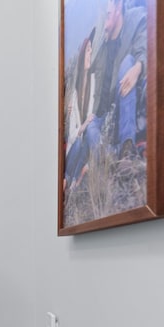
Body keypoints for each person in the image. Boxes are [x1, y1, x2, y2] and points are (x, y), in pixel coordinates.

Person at [84, 0, 147, 158]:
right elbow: (87, 71)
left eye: (108, 14)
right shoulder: (101, 46)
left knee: (127, 62)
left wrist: (138, 68)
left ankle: (127, 146)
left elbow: (145, 48)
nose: (104, 21)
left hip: (125, 102)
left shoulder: (136, 19)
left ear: (118, 7)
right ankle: (113, 156)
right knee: (91, 127)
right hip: (106, 117)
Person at [64, 28, 96, 189]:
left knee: (83, 145)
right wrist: (82, 127)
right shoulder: (74, 96)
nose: (90, 53)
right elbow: (71, 136)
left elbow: (93, 116)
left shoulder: (93, 81)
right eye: (88, 50)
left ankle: (72, 181)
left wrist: (84, 128)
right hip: (74, 149)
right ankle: (70, 180)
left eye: (91, 50)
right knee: (77, 144)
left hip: (84, 148)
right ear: (83, 54)